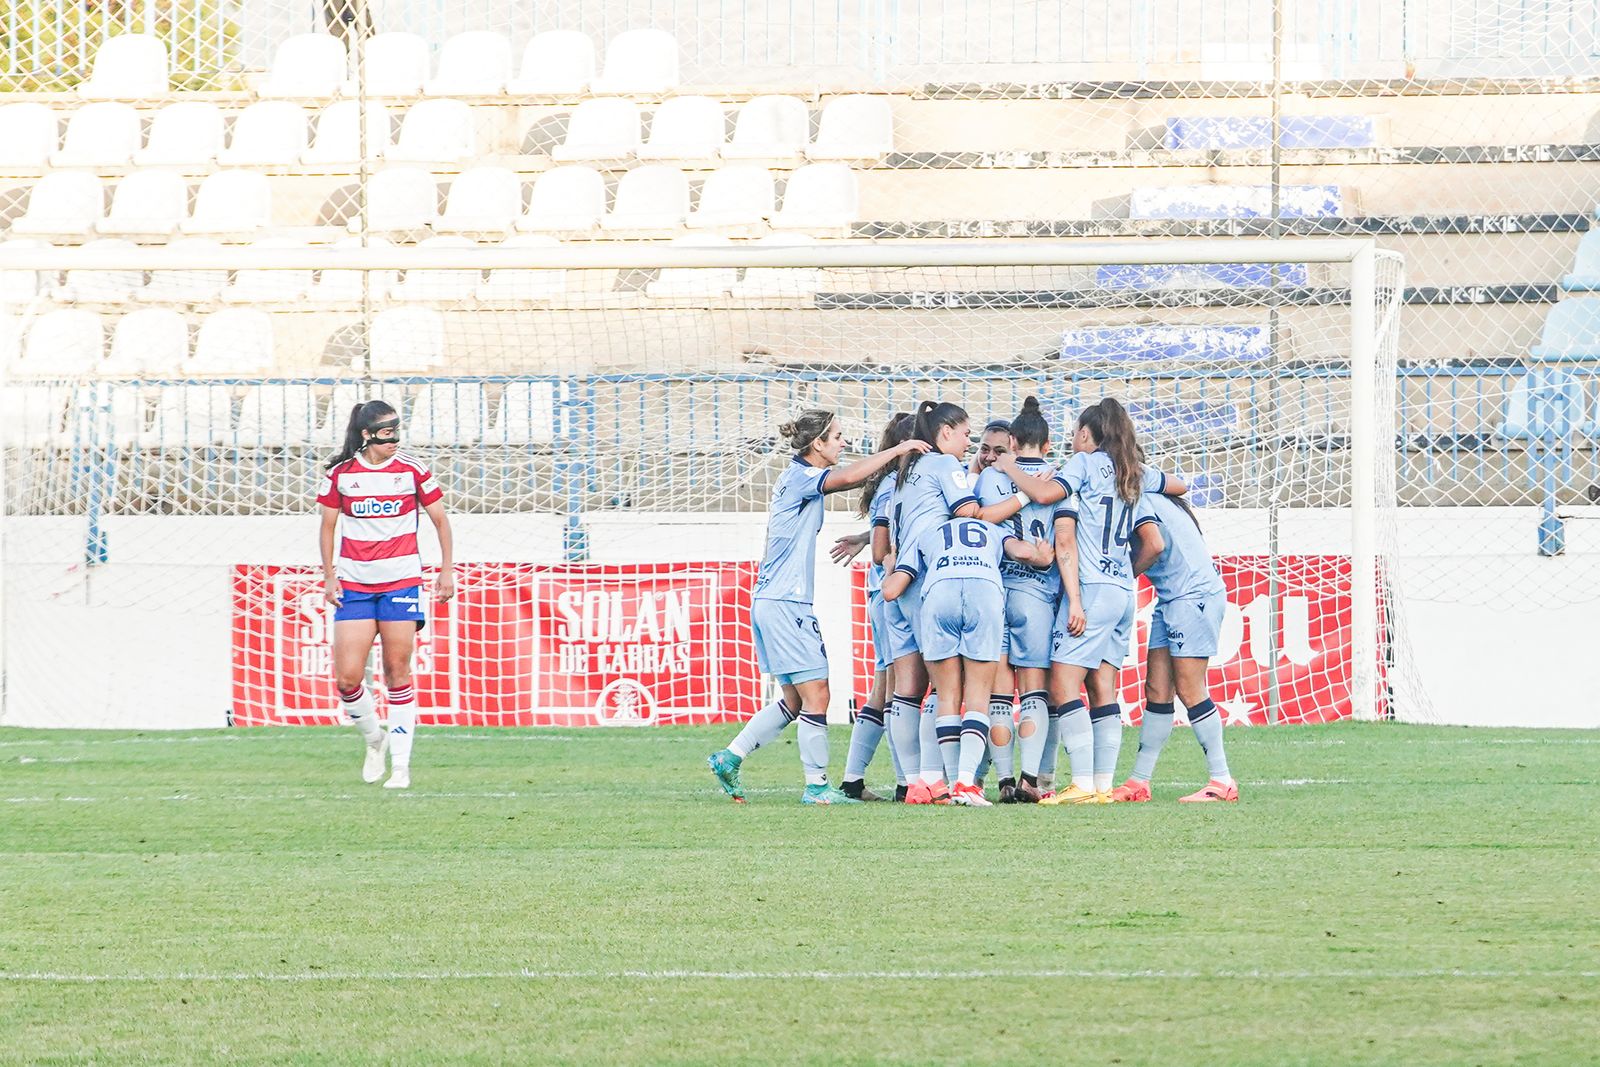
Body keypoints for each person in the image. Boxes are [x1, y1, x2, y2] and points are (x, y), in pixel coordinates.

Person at [707, 410, 927, 804]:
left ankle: (730, 757)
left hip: (775, 600)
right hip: (784, 601)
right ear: (817, 444)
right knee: (819, 694)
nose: (843, 443)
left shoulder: (799, 478)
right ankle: (817, 787)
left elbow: (844, 481)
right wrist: (899, 448)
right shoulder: (802, 477)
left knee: (795, 699)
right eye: (838, 436)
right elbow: (846, 478)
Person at [998, 398, 1184, 804]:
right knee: (1103, 688)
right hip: (1122, 590)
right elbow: (1180, 486)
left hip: (1092, 588)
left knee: (1063, 684)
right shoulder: (1131, 471)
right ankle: (1102, 785)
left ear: (1086, 434)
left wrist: (1010, 467)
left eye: (1076, 433)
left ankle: (1081, 783)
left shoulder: (1083, 464)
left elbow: (1046, 495)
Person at [890, 401, 1028, 803]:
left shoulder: (903, 473)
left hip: (906, 571)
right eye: (967, 434)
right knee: (959, 690)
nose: (970, 444)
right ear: (946, 432)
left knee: (913, 690)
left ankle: (924, 781)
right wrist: (1022, 497)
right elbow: (972, 512)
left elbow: (889, 545)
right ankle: (955, 780)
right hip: (940, 578)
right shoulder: (944, 465)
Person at [318, 400, 454, 791]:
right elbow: (327, 528)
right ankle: (374, 739)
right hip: (356, 586)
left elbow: (441, 521)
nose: (394, 438)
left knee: (397, 672)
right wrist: (330, 577)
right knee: (347, 679)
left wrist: (445, 571)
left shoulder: (412, 470)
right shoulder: (341, 475)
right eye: (386, 431)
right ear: (366, 434)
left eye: (397, 430)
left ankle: (401, 768)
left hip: (401, 582)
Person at [882, 517, 1050, 806]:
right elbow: (1023, 553)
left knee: (945, 695)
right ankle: (965, 783)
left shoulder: (926, 528)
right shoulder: (993, 528)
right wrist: (1042, 556)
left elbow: (892, 589)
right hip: (983, 591)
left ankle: (946, 786)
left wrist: (888, 569)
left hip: (938, 594)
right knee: (978, 695)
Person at [1114, 492, 1239, 803]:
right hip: (1171, 597)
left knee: (1190, 687)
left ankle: (1222, 780)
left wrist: (1120, 576)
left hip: (1192, 596)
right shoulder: (1148, 485)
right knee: (1157, 688)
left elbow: (1155, 545)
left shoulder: (1136, 493)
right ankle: (1139, 782)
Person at [974, 397, 1058, 802]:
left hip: (995, 589)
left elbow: (978, 518)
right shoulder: (1056, 477)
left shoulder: (989, 477)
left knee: (999, 692)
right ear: (1047, 444)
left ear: (1010, 440)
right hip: (1037, 592)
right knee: (1035, 690)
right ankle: (1030, 779)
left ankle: (1004, 781)